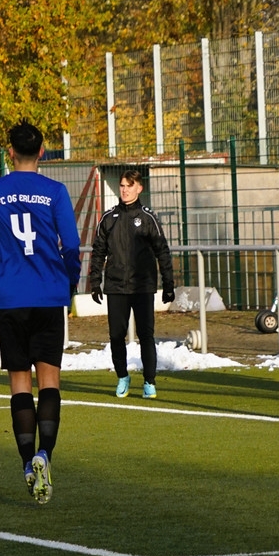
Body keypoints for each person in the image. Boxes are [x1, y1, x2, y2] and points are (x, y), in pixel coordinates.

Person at [0, 120, 81, 504]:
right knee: (50, 380)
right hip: (47, 295)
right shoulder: (55, 191)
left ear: (10, 152)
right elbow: (71, 246)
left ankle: (28, 463)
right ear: (42, 151)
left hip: (11, 298)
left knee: (20, 383)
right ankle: (45, 455)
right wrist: (68, 281)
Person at [87, 170, 175, 399]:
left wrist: (168, 284)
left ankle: (149, 381)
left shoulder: (148, 218)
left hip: (143, 286)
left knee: (146, 335)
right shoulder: (109, 218)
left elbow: (162, 251)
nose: (124, 189)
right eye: (122, 185)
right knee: (116, 335)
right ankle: (122, 377)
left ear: (139, 188)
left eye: (129, 185)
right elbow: (98, 252)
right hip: (116, 286)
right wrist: (95, 282)